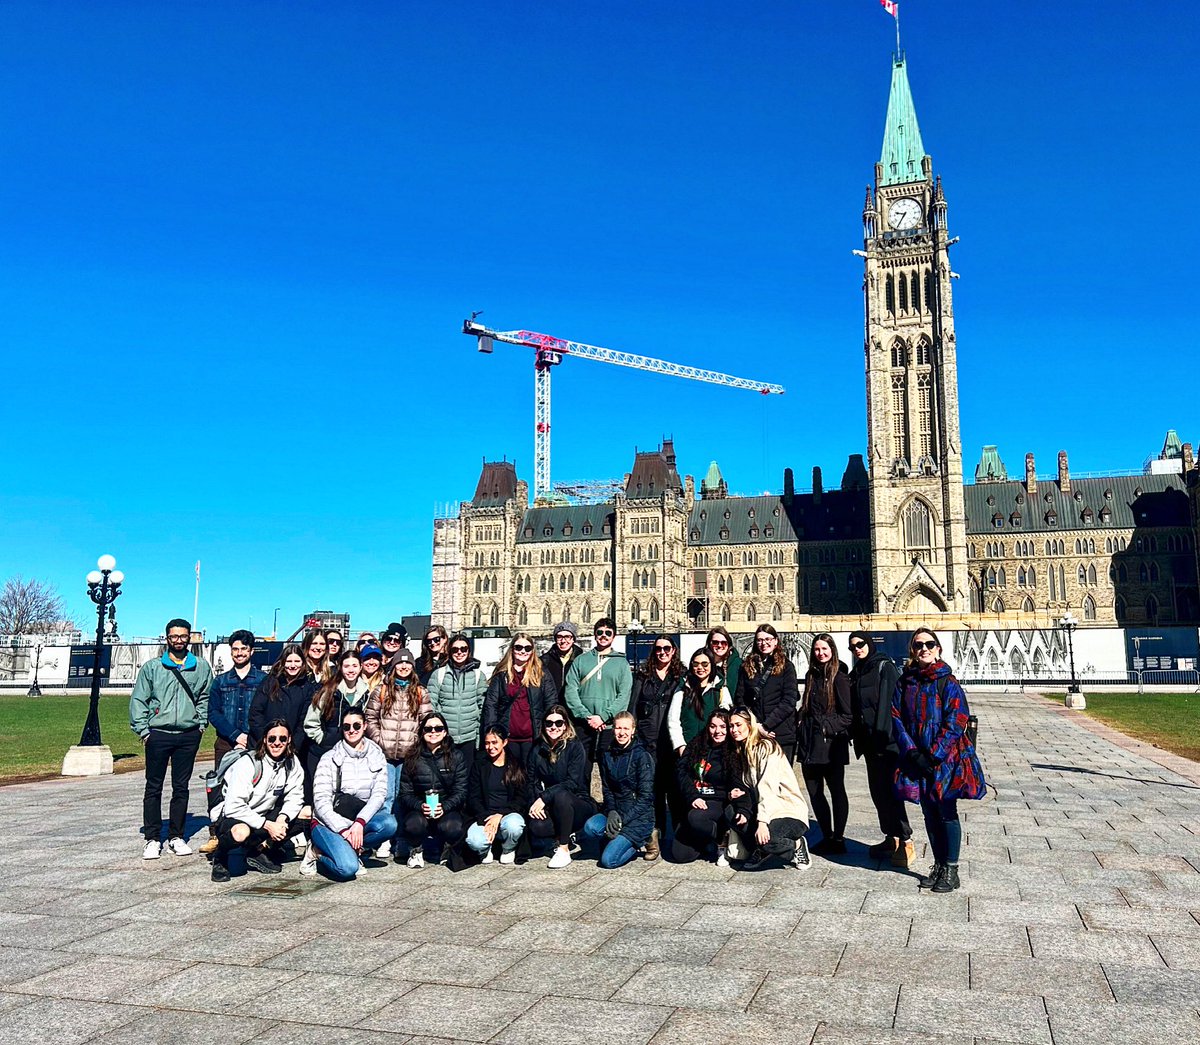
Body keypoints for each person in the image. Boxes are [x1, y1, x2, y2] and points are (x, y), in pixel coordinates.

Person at [892, 628, 986, 894]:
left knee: (946, 812)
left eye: (929, 644)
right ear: (913, 650)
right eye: (919, 645)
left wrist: (933, 754)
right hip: (916, 757)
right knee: (929, 813)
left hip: (943, 759)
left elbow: (956, 720)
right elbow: (896, 716)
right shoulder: (905, 681)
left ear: (938, 648)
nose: (924, 648)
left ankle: (951, 868)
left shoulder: (948, 682)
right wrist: (911, 751)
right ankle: (938, 864)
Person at [130, 618, 213, 859]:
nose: (178, 640)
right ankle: (152, 838)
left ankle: (176, 836)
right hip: (159, 733)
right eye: (174, 636)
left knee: (181, 787)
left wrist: (200, 724)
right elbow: (139, 700)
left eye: (183, 636)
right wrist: (144, 731)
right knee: (153, 787)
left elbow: (205, 697)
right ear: (167, 638)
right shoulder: (153, 667)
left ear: (190, 638)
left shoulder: (200, 666)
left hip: (188, 734)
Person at [209, 719, 306, 882]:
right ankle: (220, 857)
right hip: (233, 817)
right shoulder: (248, 763)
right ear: (265, 740)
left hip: (262, 814)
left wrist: (282, 818)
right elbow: (233, 807)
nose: (277, 743)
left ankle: (260, 849)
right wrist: (268, 825)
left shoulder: (292, 762)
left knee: (307, 813)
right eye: (272, 738)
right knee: (241, 833)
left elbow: (295, 796)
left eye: (282, 738)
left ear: (289, 739)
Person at [305, 706, 394, 880]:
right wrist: (345, 830)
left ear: (365, 726)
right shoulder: (329, 758)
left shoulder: (377, 755)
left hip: (358, 818)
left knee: (389, 824)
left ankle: (353, 849)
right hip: (328, 822)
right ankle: (316, 852)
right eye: (347, 727)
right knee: (347, 869)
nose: (352, 730)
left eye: (356, 725)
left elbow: (379, 794)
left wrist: (359, 823)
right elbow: (321, 803)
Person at [848, 631, 913, 868]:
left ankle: (906, 840)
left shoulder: (884, 667)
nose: (857, 649)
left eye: (861, 644)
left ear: (869, 644)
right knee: (878, 793)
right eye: (853, 646)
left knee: (893, 792)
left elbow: (890, 705)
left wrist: (883, 736)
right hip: (869, 744)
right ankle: (890, 837)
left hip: (886, 743)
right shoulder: (858, 672)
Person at [200, 628, 266, 855]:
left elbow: (265, 711)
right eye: (235, 649)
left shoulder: (263, 680)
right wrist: (235, 735)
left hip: (254, 742)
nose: (239, 653)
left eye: (243, 649)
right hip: (227, 742)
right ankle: (216, 833)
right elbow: (213, 712)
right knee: (219, 789)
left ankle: (253, 835)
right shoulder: (220, 681)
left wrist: (250, 736)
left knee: (254, 788)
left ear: (251, 651)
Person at [364, 648, 432, 859]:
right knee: (385, 797)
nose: (404, 667)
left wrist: (415, 745)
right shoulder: (382, 690)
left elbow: (426, 722)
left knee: (403, 799)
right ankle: (384, 837)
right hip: (384, 754)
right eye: (400, 663)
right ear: (393, 666)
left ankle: (402, 839)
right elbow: (370, 717)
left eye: (408, 663)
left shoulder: (420, 692)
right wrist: (379, 739)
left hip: (408, 755)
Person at [726, 706, 811, 871]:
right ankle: (760, 847)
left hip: (787, 811)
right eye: (731, 726)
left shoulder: (766, 747)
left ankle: (796, 844)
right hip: (762, 809)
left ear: (750, 725)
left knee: (769, 840)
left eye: (738, 725)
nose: (734, 730)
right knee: (730, 812)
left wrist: (762, 822)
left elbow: (767, 786)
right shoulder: (742, 750)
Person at [628, 634, 685, 860]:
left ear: (673, 651)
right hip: (647, 742)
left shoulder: (681, 676)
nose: (662, 652)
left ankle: (680, 837)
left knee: (676, 793)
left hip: (671, 745)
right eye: (659, 649)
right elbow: (633, 706)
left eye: (667, 648)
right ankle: (656, 839)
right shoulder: (643, 676)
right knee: (652, 794)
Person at [797, 633, 853, 854]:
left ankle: (838, 839)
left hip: (830, 744)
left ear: (832, 650)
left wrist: (825, 728)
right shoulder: (811, 675)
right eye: (817, 649)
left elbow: (847, 715)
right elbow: (808, 705)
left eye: (824, 649)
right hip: (810, 741)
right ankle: (827, 835)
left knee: (836, 789)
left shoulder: (839, 677)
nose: (821, 653)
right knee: (814, 791)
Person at [580, 711, 655, 868]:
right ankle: (615, 838)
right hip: (615, 812)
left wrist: (622, 821)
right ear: (613, 729)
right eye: (618, 728)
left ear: (633, 730)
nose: (622, 733)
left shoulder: (642, 756)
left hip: (637, 816)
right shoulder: (607, 754)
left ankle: (642, 840)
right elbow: (607, 789)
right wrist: (612, 811)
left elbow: (646, 798)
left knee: (608, 861)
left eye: (626, 729)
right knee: (590, 827)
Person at [526, 705, 596, 869]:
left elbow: (572, 783)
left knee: (562, 795)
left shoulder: (575, 747)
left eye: (558, 723)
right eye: (549, 723)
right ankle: (563, 834)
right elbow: (531, 780)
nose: (553, 727)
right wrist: (536, 802)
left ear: (565, 725)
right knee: (537, 826)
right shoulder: (537, 748)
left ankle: (564, 849)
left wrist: (544, 797)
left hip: (578, 802)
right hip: (551, 803)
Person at [398, 711, 468, 868]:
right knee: (413, 825)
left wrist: (444, 807)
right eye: (428, 729)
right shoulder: (412, 757)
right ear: (422, 732)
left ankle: (447, 847)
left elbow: (461, 791)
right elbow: (405, 793)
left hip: (446, 807)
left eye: (438, 728)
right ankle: (416, 850)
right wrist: (419, 806)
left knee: (453, 827)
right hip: (420, 807)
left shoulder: (456, 756)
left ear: (445, 732)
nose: (433, 732)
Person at [563, 618, 632, 771]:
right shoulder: (581, 661)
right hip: (583, 724)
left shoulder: (622, 664)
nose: (604, 635)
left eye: (608, 633)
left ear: (613, 636)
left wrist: (603, 716)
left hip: (608, 726)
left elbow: (624, 695)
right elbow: (571, 690)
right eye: (600, 632)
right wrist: (586, 715)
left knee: (609, 772)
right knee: (581, 771)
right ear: (595, 635)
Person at [483, 634, 556, 770]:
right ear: (512, 649)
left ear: (532, 651)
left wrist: (549, 731)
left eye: (527, 648)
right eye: (519, 647)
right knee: (510, 777)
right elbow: (491, 705)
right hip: (508, 737)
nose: (523, 651)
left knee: (531, 777)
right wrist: (492, 733)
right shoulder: (502, 674)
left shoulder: (541, 673)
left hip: (533, 737)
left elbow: (551, 702)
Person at [672, 709, 734, 865]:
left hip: (717, 801)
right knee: (680, 855)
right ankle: (706, 839)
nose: (717, 731)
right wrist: (692, 795)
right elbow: (682, 770)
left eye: (722, 726)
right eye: (713, 726)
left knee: (696, 817)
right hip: (696, 798)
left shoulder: (733, 750)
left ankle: (721, 837)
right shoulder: (698, 743)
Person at [734, 624, 800, 762]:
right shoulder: (746, 667)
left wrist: (766, 725)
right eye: (760, 640)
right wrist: (755, 725)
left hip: (781, 732)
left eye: (768, 639)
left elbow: (789, 700)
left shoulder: (786, 667)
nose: (764, 643)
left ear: (776, 641)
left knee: (781, 779)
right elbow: (740, 699)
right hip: (755, 732)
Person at [303, 649, 370, 783]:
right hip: (325, 751)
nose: (351, 670)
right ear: (340, 668)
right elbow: (311, 721)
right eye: (346, 666)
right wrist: (323, 739)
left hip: (351, 752)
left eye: (354, 666)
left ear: (361, 667)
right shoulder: (329, 691)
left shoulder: (365, 693)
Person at [465, 725, 529, 864]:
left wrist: (499, 815)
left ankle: (508, 847)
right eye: (487, 743)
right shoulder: (479, 765)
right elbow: (473, 797)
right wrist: (487, 818)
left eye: (495, 742)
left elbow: (521, 798)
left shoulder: (516, 765)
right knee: (474, 841)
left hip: (508, 814)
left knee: (514, 826)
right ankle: (485, 850)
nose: (490, 747)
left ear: (504, 742)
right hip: (485, 815)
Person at [427, 634, 488, 765]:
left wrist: (478, 740)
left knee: (466, 781)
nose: (459, 652)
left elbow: (482, 709)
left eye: (463, 649)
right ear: (450, 651)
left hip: (469, 738)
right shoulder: (439, 675)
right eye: (455, 649)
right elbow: (431, 707)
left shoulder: (478, 675)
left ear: (468, 651)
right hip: (445, 738)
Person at [248, 645, 316, 745]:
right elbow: (255, 713)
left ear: (302, 663)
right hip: (262, 743)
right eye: (289, 661)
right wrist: (267, 739)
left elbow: (303, 722)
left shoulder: (307, 688)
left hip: (289, 746)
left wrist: (292, 745)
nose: (293, 665)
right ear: (283, 662)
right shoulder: (269, 682)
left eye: (297, 661)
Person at [668, 648, 732, 754]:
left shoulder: (721, 689)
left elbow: (725, 720)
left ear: (712, 665)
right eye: (696, 664)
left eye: (705, 664)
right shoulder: (683, 688)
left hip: (713, 750)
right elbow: (673, 720)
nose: (700, 667)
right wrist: (680, 745)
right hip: (687, 748)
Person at [541, 621, 584, 696]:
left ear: (573, 639)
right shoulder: (544, 661)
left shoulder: (581, 660)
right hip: (551, 706)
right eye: (559, 637)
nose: (563, 641)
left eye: (567, 637)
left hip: (573, 705)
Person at [705, 626, 741, 697]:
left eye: (723, 643)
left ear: (728, 644)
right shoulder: (703, 663)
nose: (719, 645)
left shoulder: (738, 664)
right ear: (709, 644)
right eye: (715, 642)